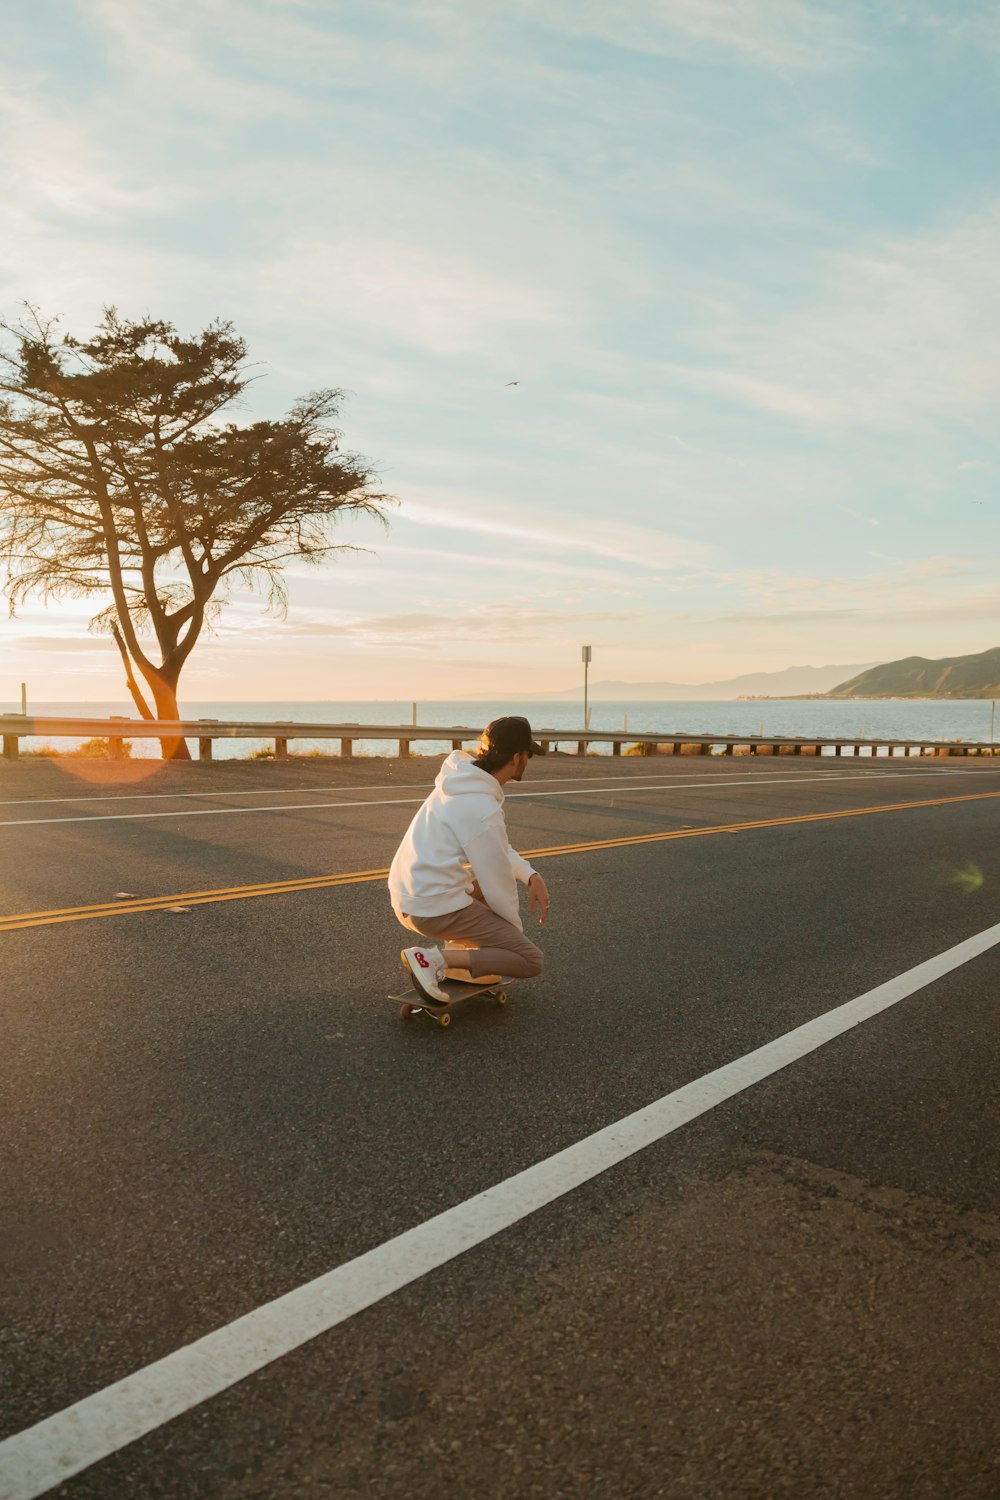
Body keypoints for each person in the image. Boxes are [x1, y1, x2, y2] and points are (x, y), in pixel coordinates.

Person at [389, 715, 551, 1004]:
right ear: (517, 758)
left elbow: (497, 849)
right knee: (529, 959)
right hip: (431, 908)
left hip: (408, 898)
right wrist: (507, 941)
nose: (528, 760)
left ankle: (455, 949)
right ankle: (433, 959)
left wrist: (530, 875)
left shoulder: (458, 782)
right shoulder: (481, 807)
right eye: (528, 754)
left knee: (478, 887)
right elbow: (499, 884)